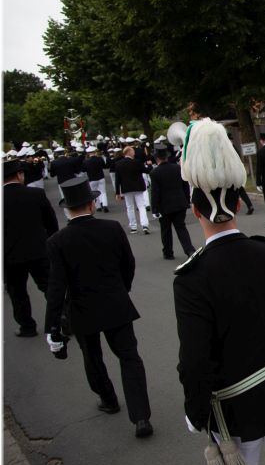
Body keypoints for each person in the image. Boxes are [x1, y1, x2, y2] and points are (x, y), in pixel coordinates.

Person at [174, 118, 265, 465]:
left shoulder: (192, 278)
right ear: (238, 206)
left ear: (194, 210)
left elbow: (195, 360)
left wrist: (196, 411)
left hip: (233, 408)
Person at [45, 175, 153, 438]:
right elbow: (128, 264)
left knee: (92, 357)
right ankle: (141, 417)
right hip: (115, 302)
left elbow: (56, 288)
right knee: (129, 357)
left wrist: (52, 327)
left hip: (82, 308)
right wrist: (122, 289)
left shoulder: (57, 242)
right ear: (92, 204)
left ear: (67, 209)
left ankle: (108, 399)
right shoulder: (112, 228)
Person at [4, 159, 58, 337]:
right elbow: (51, 222)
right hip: (38, 249)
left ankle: (27, 326)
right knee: (49, 286)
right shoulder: (36, 194)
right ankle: (60, 320)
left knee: (17, 293)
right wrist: (51, 242)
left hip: (10, 255)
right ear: (19, 175)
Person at [149, 147, 196, 260]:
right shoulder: (177, 168)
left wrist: (154, 208)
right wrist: (187, 199)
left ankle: (168, 252)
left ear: (157, 159)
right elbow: (185, 185)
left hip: (164, 206)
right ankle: (189, 250)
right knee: (181, 227)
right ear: (167, 157)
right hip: (180, 202)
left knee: (165, 230)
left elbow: (155, 192)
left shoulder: (154, 173)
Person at [114, 146, 150, 234]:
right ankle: (144, 225)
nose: (134, 153)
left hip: (126, 188)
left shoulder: (118, 164)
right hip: (138, 187)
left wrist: (117, 193)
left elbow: (117, 179)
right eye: (133, 151)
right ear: (129, 152)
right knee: (141, 206)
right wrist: (149, 165)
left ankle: (133, 227)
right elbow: (146, 171)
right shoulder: (137, 162)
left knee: (130, 207)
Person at [82, 146, 110, 212]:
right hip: (101, 177)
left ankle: (98, 207)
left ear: (88, 153)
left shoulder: (86, 161)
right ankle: (105, 205)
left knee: (94, 193)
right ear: (94, 152)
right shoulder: (99, 159)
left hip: (92, 179)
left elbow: (83, 170)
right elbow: (104, 166)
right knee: (103, 192)